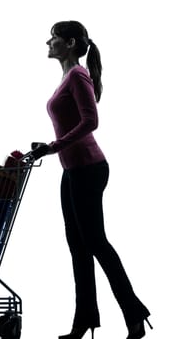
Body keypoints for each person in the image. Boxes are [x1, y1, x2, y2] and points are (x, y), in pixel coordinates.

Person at [31, 21, 152, 339]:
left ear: (70, 43)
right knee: (78, 247)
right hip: (72, 171)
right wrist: (47, 148)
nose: (49, 41)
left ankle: (134, 315)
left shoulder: (77, 75)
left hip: (88, 169)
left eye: (54, 37)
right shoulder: (66, 77)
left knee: (95, 242)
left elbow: (91, 121)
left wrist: (52, 147)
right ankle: (84, 320)